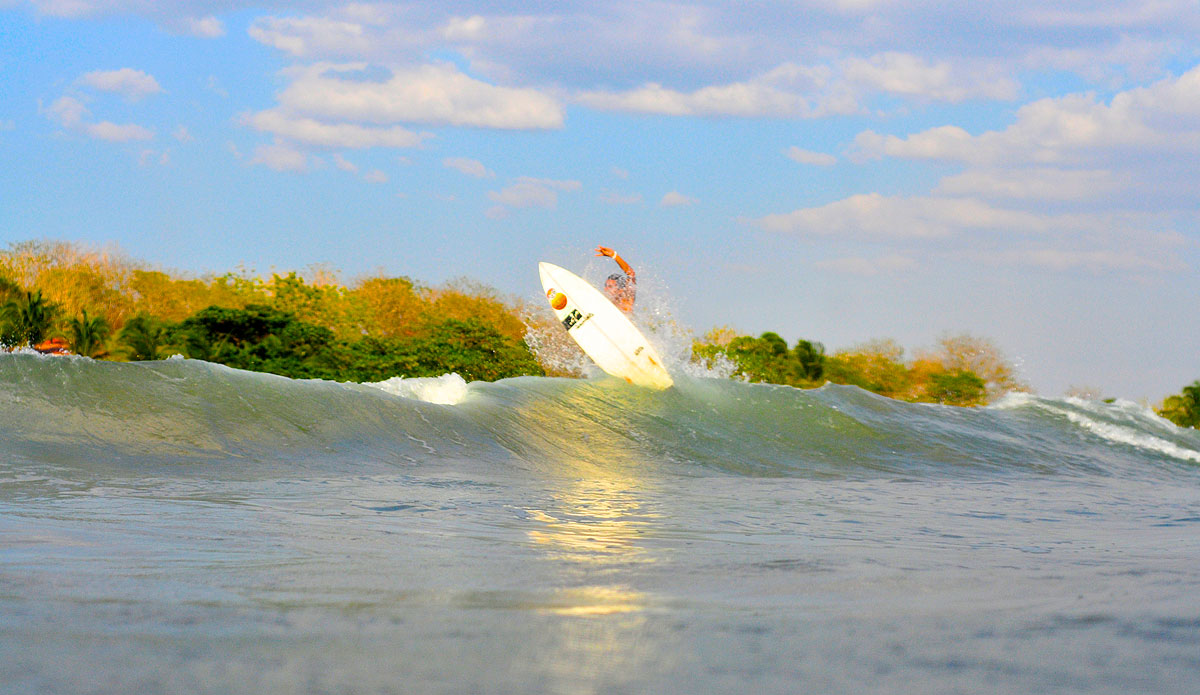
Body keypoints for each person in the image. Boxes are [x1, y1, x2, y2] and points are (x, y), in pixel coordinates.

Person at [594, 245, 635, 313]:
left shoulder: (627, 298)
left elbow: (631, 274)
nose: (605, 289)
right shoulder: (609, 301)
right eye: (606, 286)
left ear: (620, 290)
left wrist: (614, 256)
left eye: (610, 286)